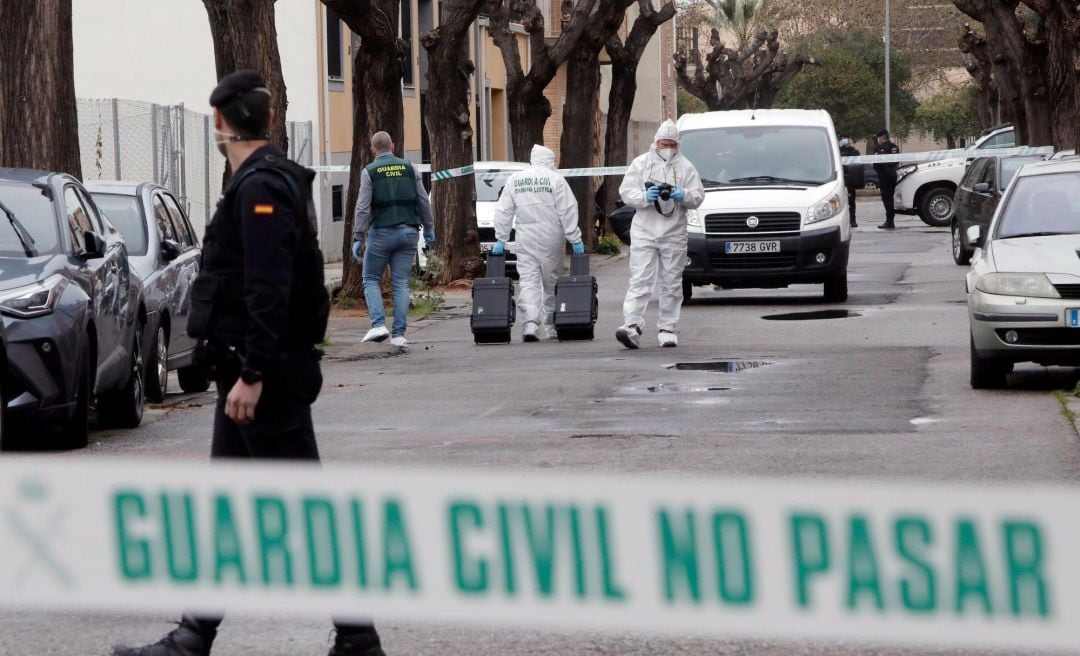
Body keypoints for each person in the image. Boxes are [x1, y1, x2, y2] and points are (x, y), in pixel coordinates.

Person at [112, 70, 386, 656]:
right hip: (254, 371)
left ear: (219, 122)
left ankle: (358, 637)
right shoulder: (262, 179)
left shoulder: (261, 187)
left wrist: (253, 374)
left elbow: (269, 287)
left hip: (264, 377)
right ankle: (194, 635)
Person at [616, 119, 705, 349]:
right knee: (640, 279)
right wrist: (646, 197)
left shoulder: (686, 167)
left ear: (677, 145)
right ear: (655, 142)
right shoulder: (641, 164)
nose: (667, 148)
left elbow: (698, 197)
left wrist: (683, 194)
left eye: (671, 144)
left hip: (674, 231)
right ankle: (631, 326)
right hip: (645, 229)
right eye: (664, 143)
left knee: (672, 281)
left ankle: (668, 327)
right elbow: (626, 193)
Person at [491, 144, 585, 341]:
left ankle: (530, 324)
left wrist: (501, 237)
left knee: (528, 281)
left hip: (525, 236)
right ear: (550, 161)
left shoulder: (515, 180)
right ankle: (552, 326)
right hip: (551, 236)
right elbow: (567, 210)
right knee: (551, 281)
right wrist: (574, 237)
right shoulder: (555, 179)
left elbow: (503, 210)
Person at [351, 131, 435, 348]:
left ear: (373, 149)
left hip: (381, 233)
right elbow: (423, 199)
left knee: (370, 278)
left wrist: (358, 236)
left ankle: (378, 324)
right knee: (400, 283)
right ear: (393, 146)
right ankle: (399, 335)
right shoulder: (410, 168)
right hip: (408, 233)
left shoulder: (369, 171)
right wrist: (429, 228)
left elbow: (362, 207)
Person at [873, 129, 900, 230]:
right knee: (890, 198)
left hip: (884, 176)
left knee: (887, 199)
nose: (878, 139)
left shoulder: (879, 148)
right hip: (892, 174)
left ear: (881, 137)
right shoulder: (894, 147)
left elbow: (876, 164)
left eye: (878, 137)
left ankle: (889, 221)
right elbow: (896, 161)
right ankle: (890, 220)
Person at [839, 135, 861, 228]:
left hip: (850, 179)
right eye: (842, 138)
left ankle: (853, 220)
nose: (844, 140)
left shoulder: (854, 152)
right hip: (840, 179)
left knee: (851, 200)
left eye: (846, 138)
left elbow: (858, 165)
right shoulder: (837, 151)